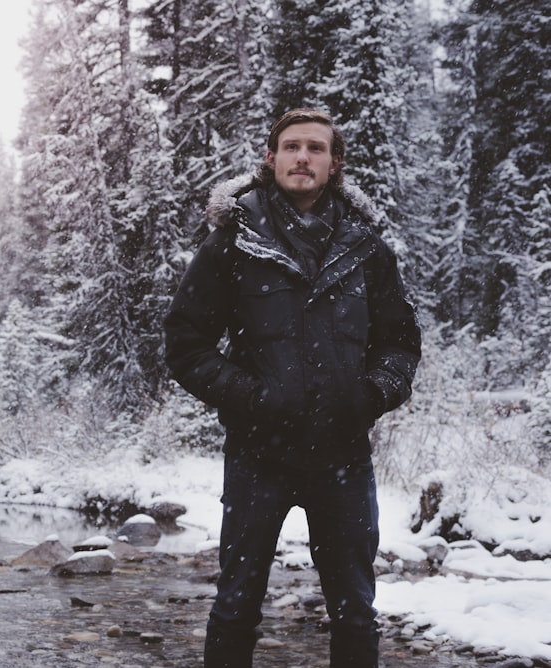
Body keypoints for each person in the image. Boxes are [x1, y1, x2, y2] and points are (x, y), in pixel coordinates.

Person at [163, 108, 421, 668]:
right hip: (260, 455)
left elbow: (400, 343)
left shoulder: (367, 248)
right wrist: (253, 397)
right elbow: (186, 344)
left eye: (316, 149)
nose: (302, 157)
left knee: (355, 611)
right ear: (271, 158)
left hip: (343, 457)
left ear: (335, 165)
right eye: (291, 147)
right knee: (236, 607)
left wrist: (372, 394)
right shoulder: (233, 241)